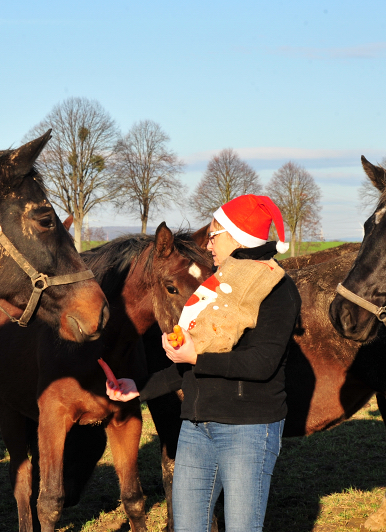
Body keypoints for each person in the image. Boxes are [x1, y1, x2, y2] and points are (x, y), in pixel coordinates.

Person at [106, 194, 301, 532]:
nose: (208, 244)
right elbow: (187, 367)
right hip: (196, 428)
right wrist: (139, 389)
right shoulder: (214, 287)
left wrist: (196, 356)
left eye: (215, 235)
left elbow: (261, 363)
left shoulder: (276, 289)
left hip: (247, 430)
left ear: (237, 236)